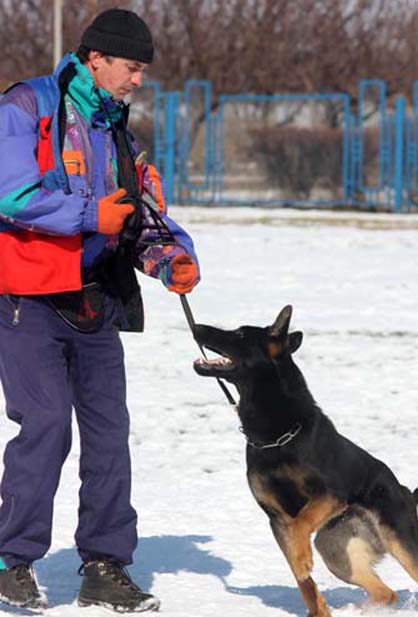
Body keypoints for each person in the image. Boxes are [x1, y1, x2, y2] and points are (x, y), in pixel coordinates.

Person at [0, 8, 199, 613]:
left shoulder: (121, 136)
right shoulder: (27, 108)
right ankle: (12, 562)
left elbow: (141, 217)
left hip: (96, 301)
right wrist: (90, 215)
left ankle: (105, 564)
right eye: (132, 67)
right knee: (47, 425)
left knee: (110, 436)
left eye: (143, 70)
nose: (139, 79)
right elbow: (10, 192)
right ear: (96, 59)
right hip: (27, 299)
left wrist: (172, 258)